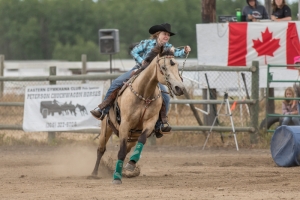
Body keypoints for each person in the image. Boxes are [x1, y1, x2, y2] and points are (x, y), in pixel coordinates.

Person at [90, 23, 191, 138]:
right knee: (116, 83)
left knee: (166, 96)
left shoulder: (168, 47)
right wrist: (142, 60)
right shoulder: (147, 43)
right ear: (158, 34)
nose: (166, 36)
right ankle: (103, 109)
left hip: (154, 76)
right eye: (164, 34)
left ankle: (160, 123)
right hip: (139, 70)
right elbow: (134, 51)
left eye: (168, 35)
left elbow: (176, 53)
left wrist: (184, 51)